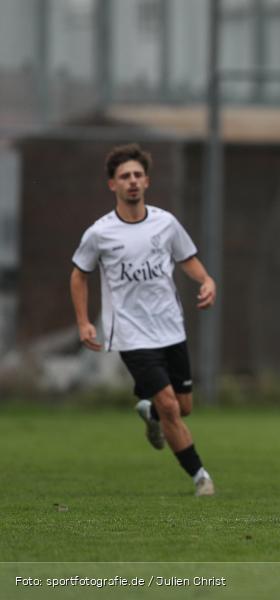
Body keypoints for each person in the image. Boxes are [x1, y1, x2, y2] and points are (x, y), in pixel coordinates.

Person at [70, 143, 216, 497]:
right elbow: (78, 275)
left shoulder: (166, 223)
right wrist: (84, 322)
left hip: (170, 327)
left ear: (147, 181)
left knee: (183, 407)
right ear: (113, 185)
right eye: (125, 176)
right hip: (131, 333)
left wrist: (206, 280)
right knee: (170, 405)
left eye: (138, 175)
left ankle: (151, 415)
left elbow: (187, 257)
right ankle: (200, 476)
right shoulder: (100, 233)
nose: (132, 181)